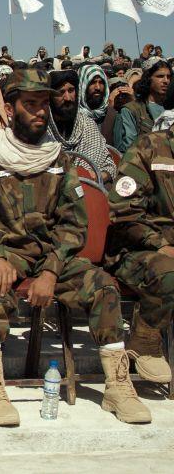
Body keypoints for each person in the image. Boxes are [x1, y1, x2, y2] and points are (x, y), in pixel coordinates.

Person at [0, 69, 149, 426]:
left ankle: (118, 387)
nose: (40, 112)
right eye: (30, 104)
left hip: (50, 258)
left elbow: (74, 222)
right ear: (11, 109)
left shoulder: (58, 159)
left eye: (43, 104)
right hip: (4, 254)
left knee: (103, 286)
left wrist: (50, 270)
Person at [106, 126, 174, 384]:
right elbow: (123, 210)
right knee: (169, 271)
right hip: (137, 249)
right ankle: (146, 337)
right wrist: (159, 244)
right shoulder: (150, 148)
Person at [47, 70, 116, 180]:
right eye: (61, 92)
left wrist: (97, 176)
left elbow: (109, 166)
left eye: (71, 91)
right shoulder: (43, 128)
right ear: (50, 97)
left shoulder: (87, 124)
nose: (68, 98)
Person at [114, 59, 171, 151]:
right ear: (148, 78)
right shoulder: (131, 110)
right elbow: (129, 149)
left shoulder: (170, 109)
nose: (166, 81)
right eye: (160, 76)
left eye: (168, 77)